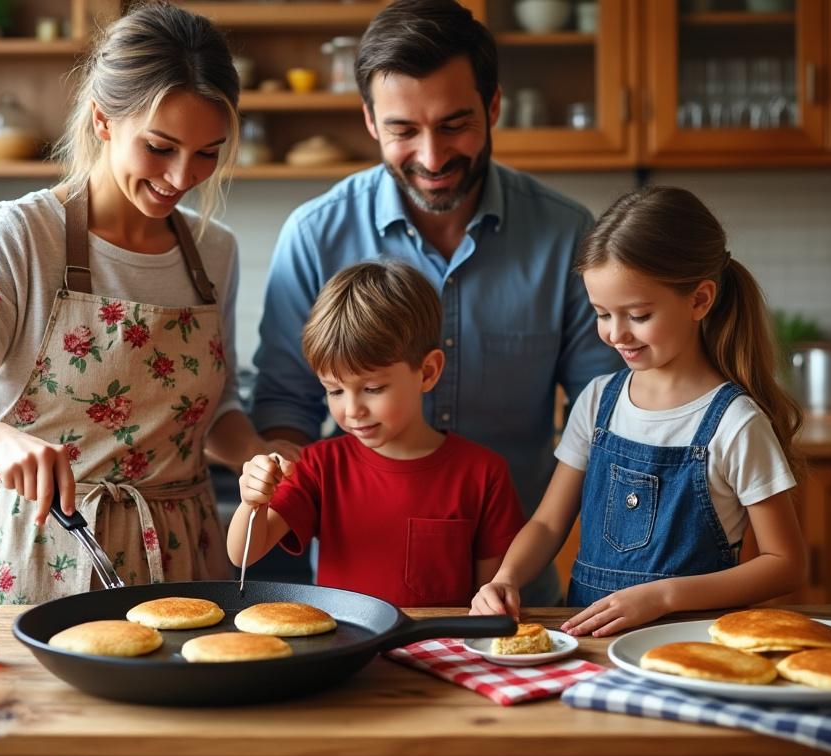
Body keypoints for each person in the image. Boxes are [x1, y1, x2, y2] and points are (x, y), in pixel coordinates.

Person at [0, 3, 293, 605]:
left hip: (184, 556)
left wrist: (258, 456)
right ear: (103, 120)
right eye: (160, 147)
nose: (183, 176)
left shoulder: (213, 253)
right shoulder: (22, 237)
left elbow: (214, 410)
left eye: (208, 152)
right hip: (45, 557)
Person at [249, 0, 619, 607]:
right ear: (369, 121)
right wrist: (278, 487)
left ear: (493, 106)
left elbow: (598, 418)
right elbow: (284, 404)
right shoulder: (315, 234)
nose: (431, 156)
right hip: (352, 601)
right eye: (402, 130)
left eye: (454, 124)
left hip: (513, 593)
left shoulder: (566, 237)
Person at [471, 186, 808, 636]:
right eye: (602, 313)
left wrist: (665, 596)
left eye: (638, 315)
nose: (615, 334)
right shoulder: (596, 401)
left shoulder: (735, 422)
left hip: (690, 646)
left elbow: (785, 565)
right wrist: (505, 578)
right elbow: (549, 522)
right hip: (591, 646)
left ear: (699, 300)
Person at [228, 261, 525, 607]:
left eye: (372, 388)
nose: (352, 409)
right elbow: (242, 555)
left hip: (440, 655)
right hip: (345, 654)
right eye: (335, 391)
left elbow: (488, 600)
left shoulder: (484, 474)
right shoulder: (317, 466)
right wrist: (252, 501)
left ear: (427, 372)